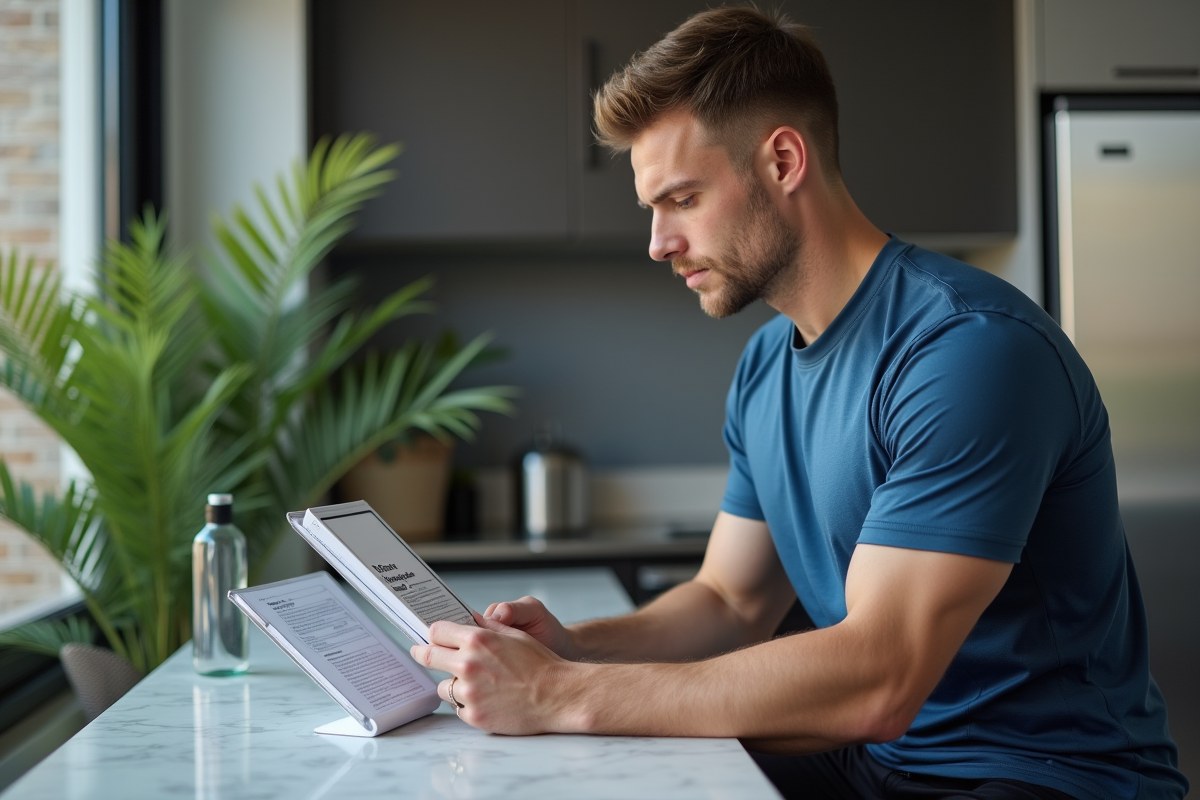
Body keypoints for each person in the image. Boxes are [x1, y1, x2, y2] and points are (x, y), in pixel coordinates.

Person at [410, 8, 1187, 799]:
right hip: (886, 762)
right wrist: (571, 650)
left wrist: (557, 695)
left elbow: (880, 678)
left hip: (1039, 776)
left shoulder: (968, 353)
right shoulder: (765, 367)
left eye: (682, 198)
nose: (657, 242)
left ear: (783, 160)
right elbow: (729, 602)